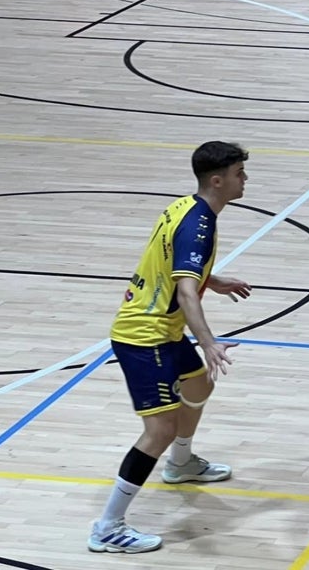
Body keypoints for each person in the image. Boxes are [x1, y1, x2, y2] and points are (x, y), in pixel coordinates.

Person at [88, 142, 253, 554]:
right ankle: (107, 527)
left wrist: (212, 279)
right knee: (158, 430)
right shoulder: (198, 223)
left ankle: (181, 464)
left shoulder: (185, 208)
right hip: (145, 336)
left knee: (198, 387)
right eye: (238, 173)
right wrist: (210, 342)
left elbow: (172, 263)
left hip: (162, 328)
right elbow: (185, 294)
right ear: (217, 181)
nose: (244, 179)